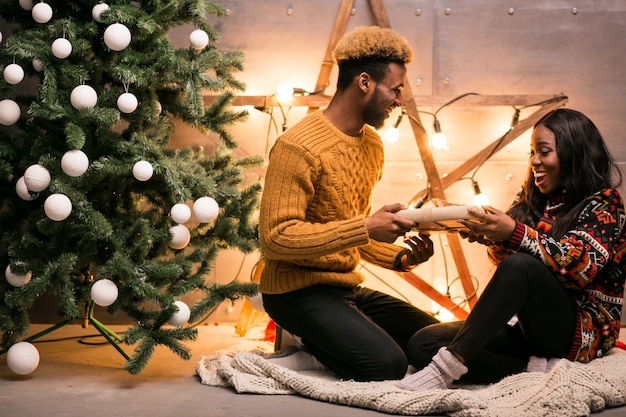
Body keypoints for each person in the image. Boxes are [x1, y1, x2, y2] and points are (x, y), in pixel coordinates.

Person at [258, 26, 439, 382]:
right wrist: (367, 226)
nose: (400, 100)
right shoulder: (298, 146)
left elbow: (343, 230)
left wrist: (400, 257)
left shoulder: (371, 144)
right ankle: (308, 348)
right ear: (365, 82)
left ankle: (334, 338)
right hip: (294, 292)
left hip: (345, 287)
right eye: (396, 89)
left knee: (435, 342)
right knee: (389, 365)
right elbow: (275, 238)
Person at [398, 108, 626, 391]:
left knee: (521, 266)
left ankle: (444, 371)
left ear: (573, 153)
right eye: (531, 152)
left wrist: (513, 233)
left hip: (577, 332)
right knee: (423, 344)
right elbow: (509, 265)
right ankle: (530, 371)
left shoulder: (606, 203)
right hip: (525, 328)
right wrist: (491, 236)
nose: (534, 161)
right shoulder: (532, 196)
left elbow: (579, 269)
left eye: (544, 151)